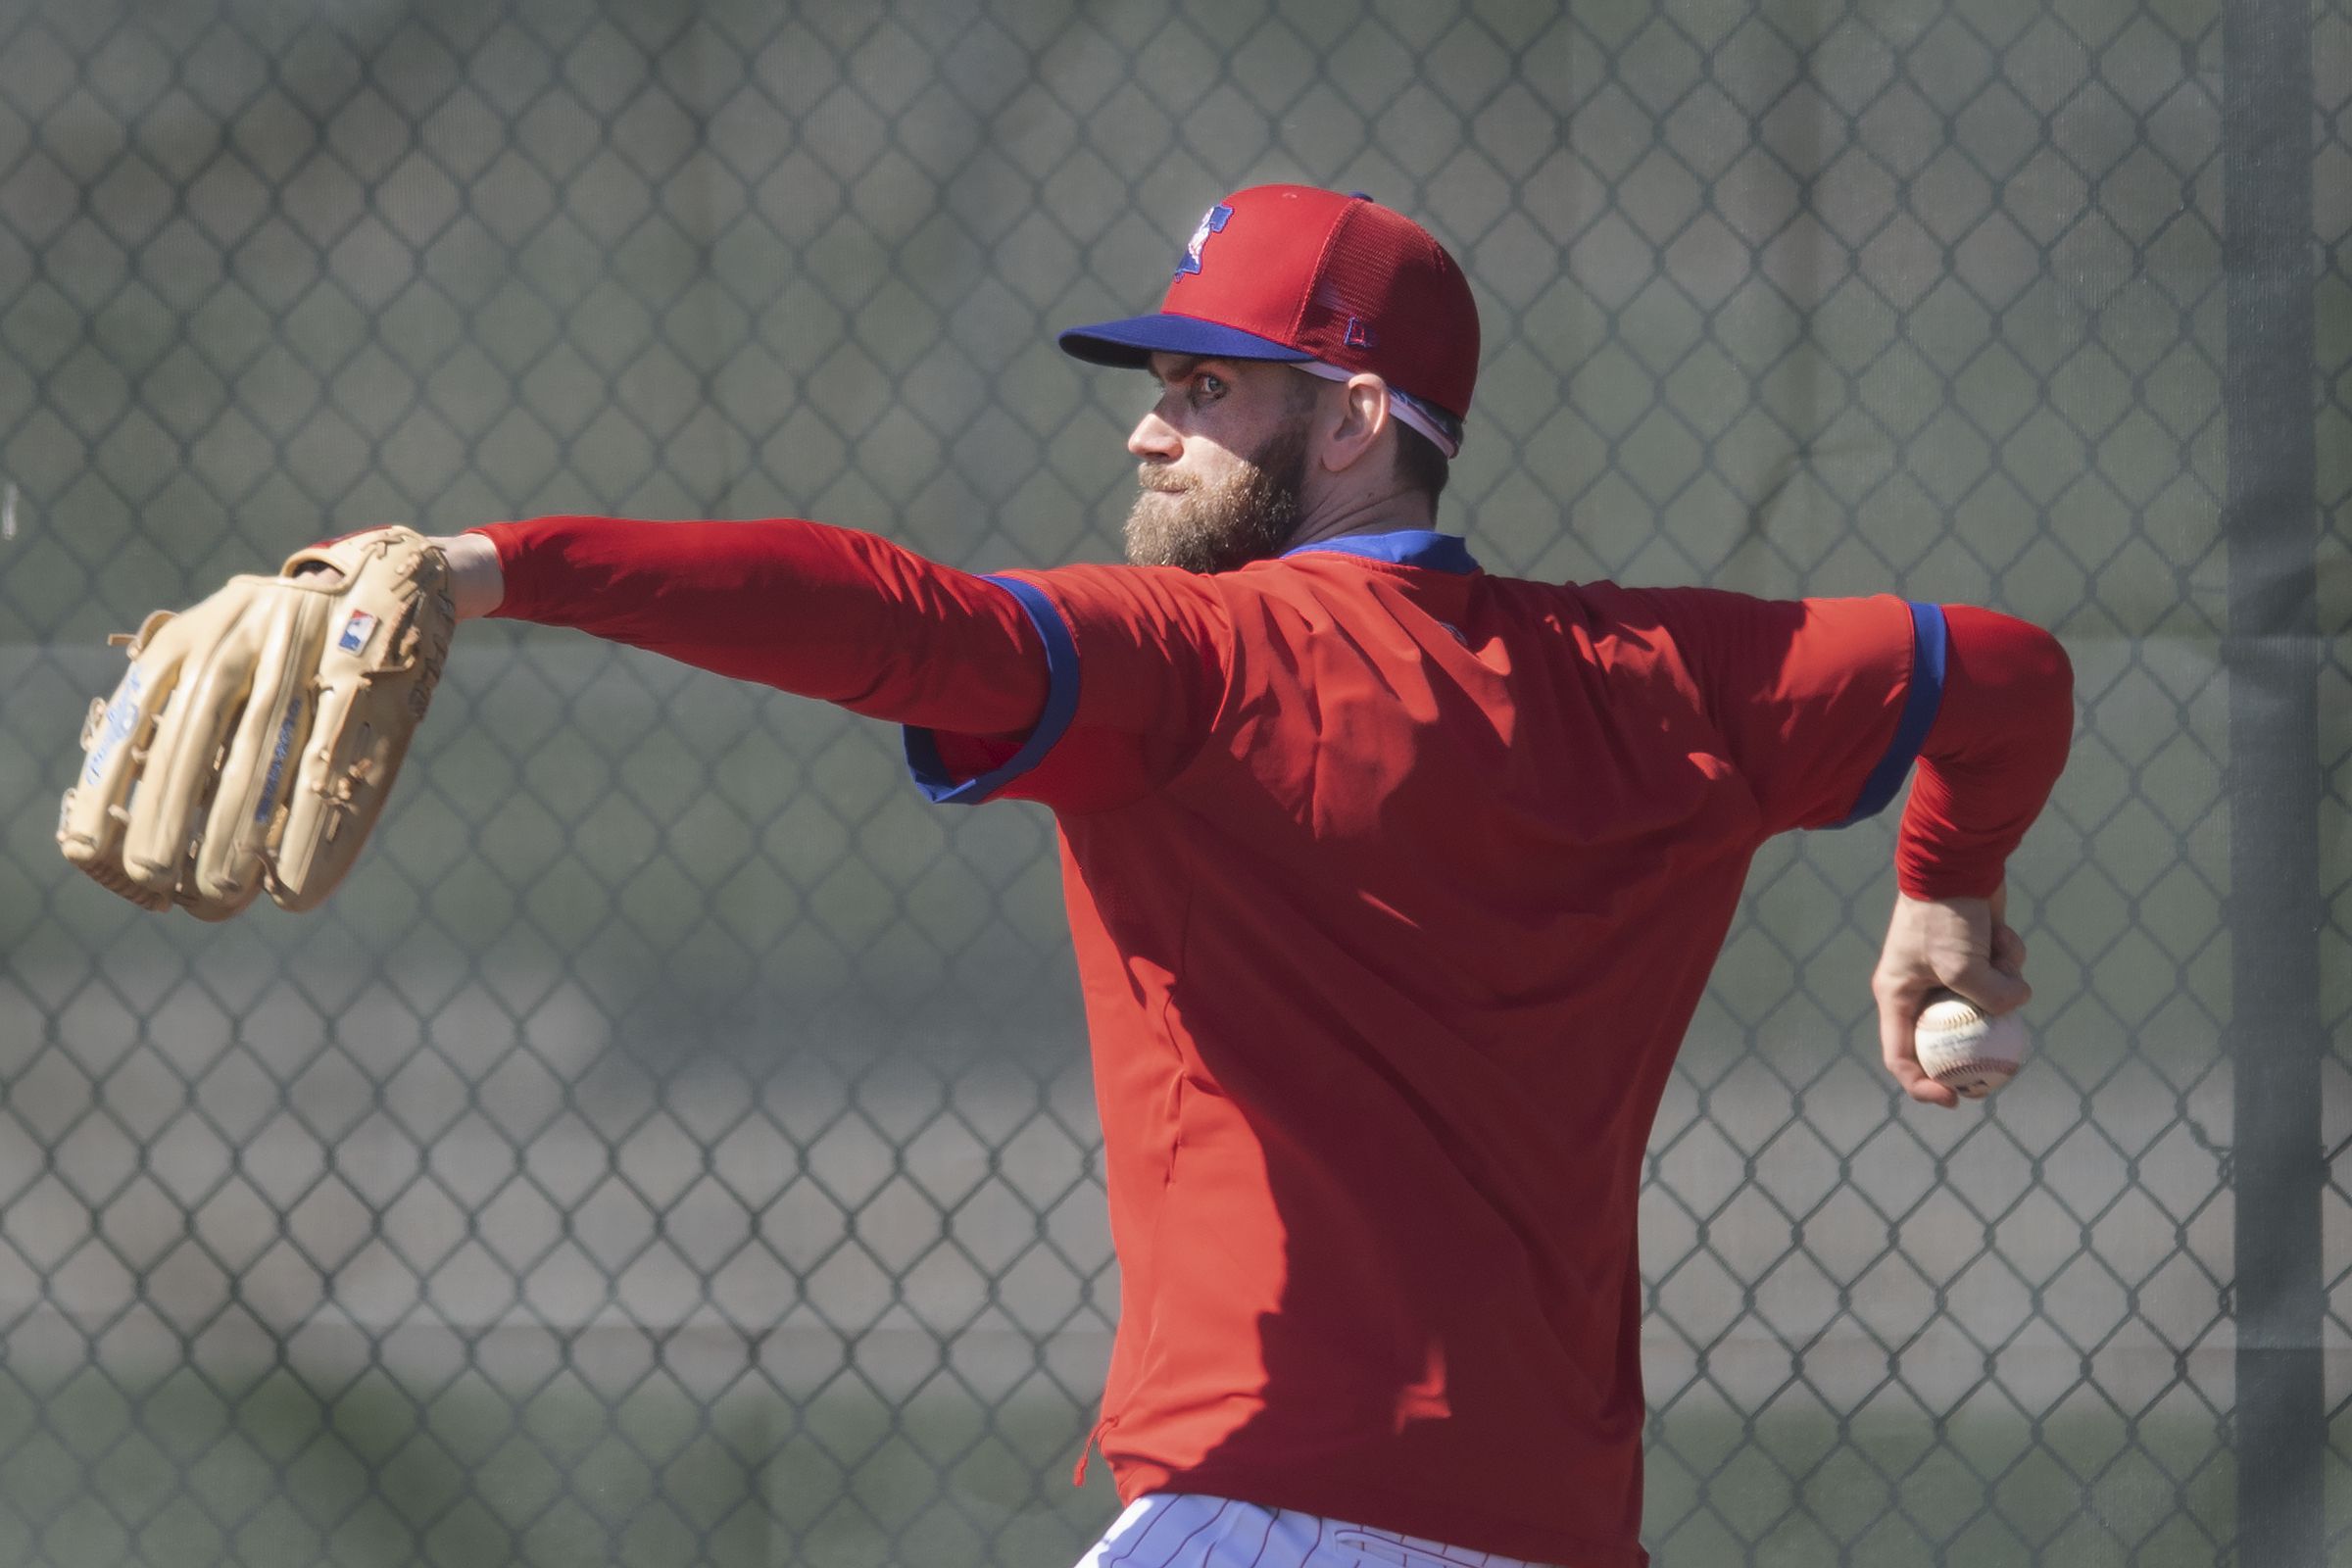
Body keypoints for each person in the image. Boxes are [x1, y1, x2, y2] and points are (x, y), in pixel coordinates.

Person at [422, 184, 2073, 1567]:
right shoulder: (1669, 677)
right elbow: (2004, 674)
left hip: (1272, 1503)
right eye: (1162, 385)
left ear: (1356, 420)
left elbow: (884, 611)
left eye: (1211, 390)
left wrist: (493, 570)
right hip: (1558, 1526)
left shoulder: (1202, 664)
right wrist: (1948, 879)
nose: (1151, 431)